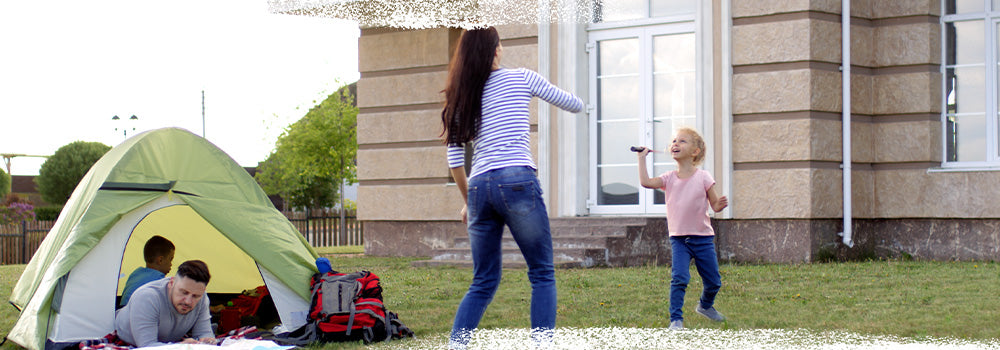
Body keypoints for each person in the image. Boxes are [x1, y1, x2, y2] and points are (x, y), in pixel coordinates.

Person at [440, 26, 584, 349]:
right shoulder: (521, 78)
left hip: (479, 187)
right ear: (496, 51)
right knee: (542, 273)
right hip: (517, 180)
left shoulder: (462, 93)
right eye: (500, 44)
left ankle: (456, 346)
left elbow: (454, 159)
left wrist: (469, 202)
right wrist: (585, 98)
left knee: (483, 280)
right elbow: (571, 104)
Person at [636, 127, 729, 330]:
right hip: (679, 239)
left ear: (695, 151)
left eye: (682, 141)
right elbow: (645, 182)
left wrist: (719, 205)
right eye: (674, 141)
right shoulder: (669, 178)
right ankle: (676, 320)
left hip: (703, 238)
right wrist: (642, 159)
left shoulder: (703, 177)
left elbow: (714, 206)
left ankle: (705, 306)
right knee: (679, 278)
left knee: (714, 282)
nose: (675, 144)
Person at [114, 260, 216, 347]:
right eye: (184, 292)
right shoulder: (147, 297)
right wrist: (181, 347)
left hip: (168, 342)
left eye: (195, 296)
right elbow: (148, 346)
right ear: (171, 283)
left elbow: (205, 335)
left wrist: (207, 342)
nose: (188, 301)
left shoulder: (203, 298)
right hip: (126, 339)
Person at [120, 235, 175, 307]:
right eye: (170, 259)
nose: (171, 264)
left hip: (121, 312)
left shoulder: (136, 273)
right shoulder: (159, 280)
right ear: (160, 260)